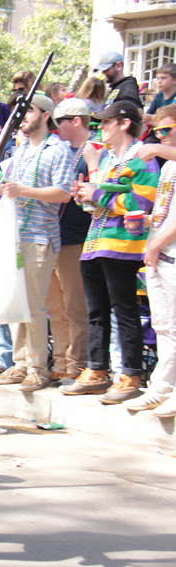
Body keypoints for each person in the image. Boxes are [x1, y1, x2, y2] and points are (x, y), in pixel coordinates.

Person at [65, 101, 159, 403]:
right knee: (96, 311)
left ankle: (130, 374)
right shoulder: (107, 161)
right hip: (94, 242)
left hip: (122, 245)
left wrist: (98, 195)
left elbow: (142, 203)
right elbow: (98, 204)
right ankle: (97, 369)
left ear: (124, 124)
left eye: (106, 122)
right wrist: (86, 197)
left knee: (125, 310)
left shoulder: (142, 157)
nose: (100, 127)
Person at [0, 94, 74, 392]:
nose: (22, 116)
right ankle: (22, 362)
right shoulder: (19, 149)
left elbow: (64, 192)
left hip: (40, 236)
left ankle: (38, 367)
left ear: (46, 115)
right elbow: (4, 182)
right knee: (16, 300)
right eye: (19, 111)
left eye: (28, 111)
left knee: (34, 305)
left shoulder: (59, 149)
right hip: (14, 235)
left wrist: (24, 190)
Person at [128, 104, 176, 416]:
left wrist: (158, 242)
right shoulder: (169, 166)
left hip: (168, 253)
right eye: (158, 131)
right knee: (162, 324)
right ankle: (162, 386)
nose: (161, 137)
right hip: (159, 253)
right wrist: (148, 223)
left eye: (167, 130)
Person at [46, 99, 93, 386]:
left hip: (76, 238)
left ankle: (78, 364)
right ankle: (61, 360)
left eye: (59, 122)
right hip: (51, 235)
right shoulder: (60, 151)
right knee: (54, 306)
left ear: (76, 120)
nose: (55, 129)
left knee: (75, 305)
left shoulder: (94, 151)